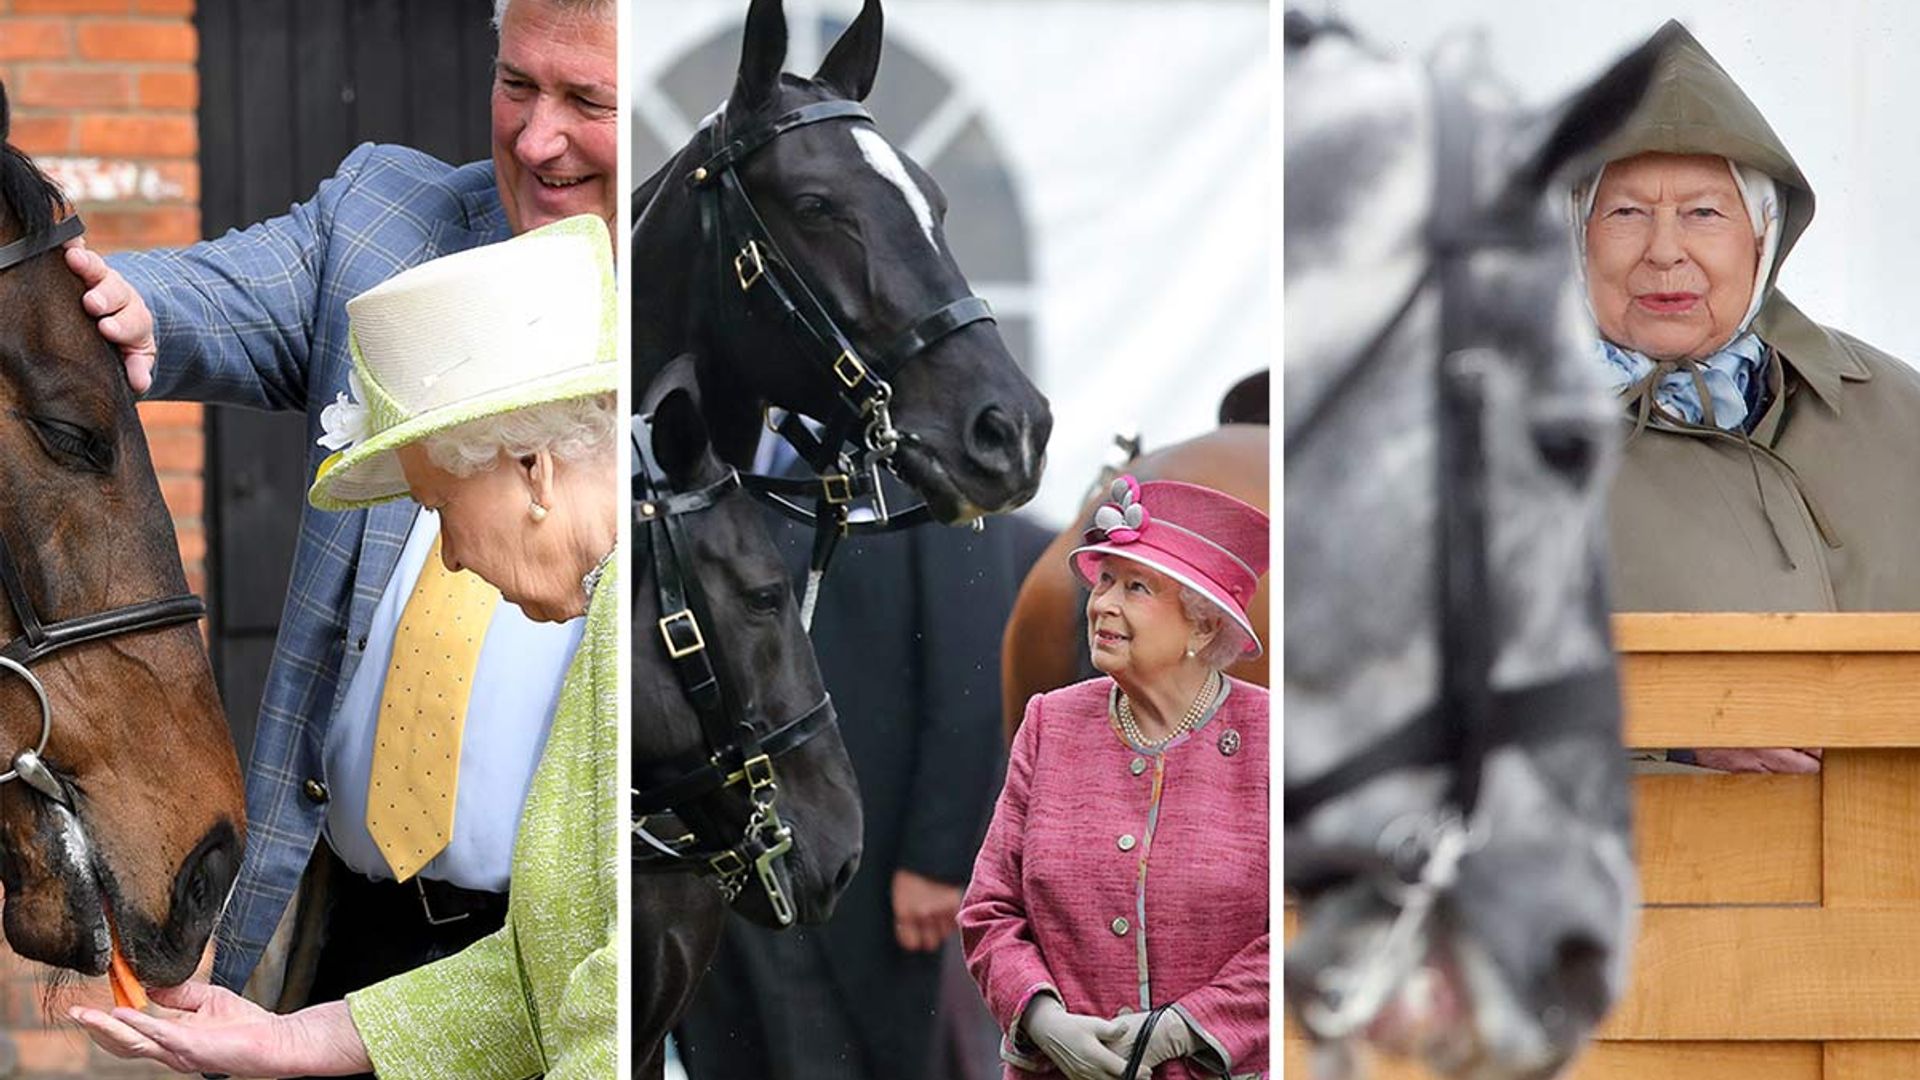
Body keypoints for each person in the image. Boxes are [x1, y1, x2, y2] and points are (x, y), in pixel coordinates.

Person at [59, 0, 616, 1017]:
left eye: (589, 101)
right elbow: (207, 292)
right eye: (517, 84)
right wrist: (96, 309)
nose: (538, 138)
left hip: (570, 979)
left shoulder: (724, 312)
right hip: (335, 936)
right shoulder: (388, 224)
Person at [1580, 22, 1920, 774]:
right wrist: (1679, 737)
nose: (1665, 250)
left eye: (1704, 212)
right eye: (1627, 212)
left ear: (1762, 235)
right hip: (1653, 877)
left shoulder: (1901, 415)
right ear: (1577, 234)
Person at [674, 457, 1054, 1080]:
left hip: (871, 873)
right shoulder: (716, 457)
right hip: (724, 867)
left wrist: (938, 857)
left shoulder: (926, 462)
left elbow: (971, 668)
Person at [960, 477, 1269, 1080]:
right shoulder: (1050, 722)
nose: (1102, 603)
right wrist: (1044, 1020)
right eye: (1103, 580)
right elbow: (989, 911)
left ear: (1202, 627)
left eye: (1136, 587)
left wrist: (1178, 1032)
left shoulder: (1268, 737)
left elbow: (1286, 938)